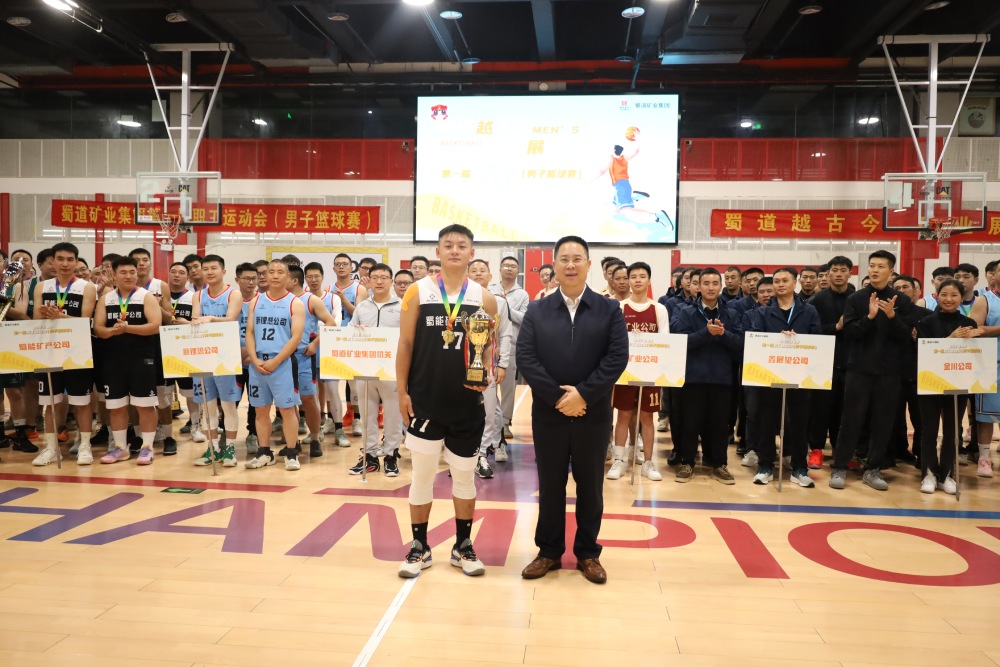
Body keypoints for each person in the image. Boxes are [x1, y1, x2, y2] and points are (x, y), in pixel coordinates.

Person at [517, 235, 628, 584]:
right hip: (548, 414)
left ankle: (588, 553)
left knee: (590, 486)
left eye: (577, 258)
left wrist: (584, 395)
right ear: (554, 265)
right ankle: (548, 552)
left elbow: (616, 358)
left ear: (588, 265)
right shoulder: (537, 310)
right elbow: (526, 358)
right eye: (563, 259)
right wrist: (559, 398)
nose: (570, 265)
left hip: (592, 414)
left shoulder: (609, 309)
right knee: (550, 485)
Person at [396, 224, 498, 578]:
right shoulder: (417, 291)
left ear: (472, 253)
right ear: (437, 252)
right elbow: (405, 344)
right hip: (424, 401)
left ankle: (462, 546)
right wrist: (401, 391)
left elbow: (487, 348)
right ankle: (419, 547)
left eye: (462, 245)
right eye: (448, 245)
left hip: (467, 404)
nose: (455, 250)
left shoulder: (484, 298)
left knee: (464, 478)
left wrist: (486, 373)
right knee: (422, 477)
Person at [829, 250, 914, 492]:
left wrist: (892, 316)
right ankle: (839, 467)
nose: (875, 270)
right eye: (872, 266)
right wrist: (869, 317)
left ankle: (873, 469)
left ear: (891, 271)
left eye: (880, 266)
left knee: (883, 422)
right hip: (859, 370)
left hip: (889, 372)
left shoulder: (901, 300)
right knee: (851, 420)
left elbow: (906, 336)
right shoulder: (856, 299)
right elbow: (850, 333)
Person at [749, 267, 821, 488]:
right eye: (777, 281)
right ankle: (765, 466)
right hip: (770, 374)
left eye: (785, 280)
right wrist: (776, 341)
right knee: (767, 421)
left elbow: (817, 341)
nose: (780, 285)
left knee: (799, 422)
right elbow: (756, 340)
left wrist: (798, 341)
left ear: (794, 283)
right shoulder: (762, 312)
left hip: (800, 375)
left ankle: (800, 468)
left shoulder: (808, 311)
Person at [673, 268, 743, 484]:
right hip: (693, 378)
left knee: (720, 425)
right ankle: (687, 462)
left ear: (720, 286)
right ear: (698, 286)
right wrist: (706, 333)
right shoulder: (686, 312)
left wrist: (723, 334)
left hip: (722, 379)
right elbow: (680, 343)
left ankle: (720, 464)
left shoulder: (731, 313)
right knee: (690, 423)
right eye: (706, 283)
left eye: (715, 283)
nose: (710, 287)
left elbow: (741, 345)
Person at [31, 242, 98, 466]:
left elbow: (86, 320)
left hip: (78, 351)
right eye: (60, 259)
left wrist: (58, 317)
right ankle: (51, 448)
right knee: (52, 401)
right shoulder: (42, 287)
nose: (65, 264)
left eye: (70, 259)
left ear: (76, 262)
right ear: (53, 261)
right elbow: (36, 320)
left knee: (81, 401)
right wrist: (49, 318)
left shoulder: (87, 287)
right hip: (49, 350)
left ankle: (85, 445)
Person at [92, 256, 162, 465]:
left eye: (132, 272)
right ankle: (121, 448)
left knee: (145, 405)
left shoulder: (145, 296)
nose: (129, 276)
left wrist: (127, 328)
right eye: (123, 272)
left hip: (142, 359)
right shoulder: (106, 299)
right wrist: (111, 332)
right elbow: (98, 328)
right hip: (113, 360)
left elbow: (155, 326)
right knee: (117, 406)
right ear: (114, 275)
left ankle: (147, 447)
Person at [916, 279, 982, 494]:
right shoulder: (926, 322)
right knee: (929, 430)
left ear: (961, 297)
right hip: (930, 383)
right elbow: (925, 352)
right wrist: (951, 338)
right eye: (944, 294)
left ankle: (947, 474)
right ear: (937, 296)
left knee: (952, 431)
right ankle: (928, 473)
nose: (948, 299)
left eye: (954, 295)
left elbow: (973, 356)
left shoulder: (969, 322)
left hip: (958, 383)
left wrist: (973, 341)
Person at [607, 261, 669, 482]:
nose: (637, 280)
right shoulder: (619, 307)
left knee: (647, 417)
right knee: (623, 415)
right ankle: (619, 460)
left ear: (649, 280)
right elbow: (612, 340)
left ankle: (648, 462)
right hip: (625, 373)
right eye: (633, 277)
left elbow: (665, 343)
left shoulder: (659, 309)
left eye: (642, 276)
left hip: (650, 373)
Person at [244, 259, 306, 471]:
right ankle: (264, 452)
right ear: (265, 276)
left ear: (288, 276)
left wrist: (276, 361)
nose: (275, 275)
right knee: (261, 410)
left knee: (287, 410)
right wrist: (254, 359)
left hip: (282, 363)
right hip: (258, 363)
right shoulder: (256, 301)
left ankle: (291, 452)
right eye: (271, 272)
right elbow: (250, 332)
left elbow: (296, 337)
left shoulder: (295, 303)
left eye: (280, 272)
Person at [189, 255, 243, 468]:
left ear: (223, 271)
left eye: (214, 268)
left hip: (226, 358)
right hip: (203, 357)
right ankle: (212, 448)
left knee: (228, 406)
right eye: (206, 269)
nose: (209, 272)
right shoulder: (198, 295)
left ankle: (230, 448)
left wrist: (211, 319)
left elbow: (231, 319)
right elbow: (195, 320)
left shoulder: (233, 294)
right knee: (208, 406)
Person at [350, 263, 404, 477]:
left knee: (393, 415)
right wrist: (357, 331)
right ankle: (370, 457)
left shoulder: (402, 306)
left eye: (384, 277)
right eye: (375, 278)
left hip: (392, 369)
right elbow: (349, 332)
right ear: (368, 281)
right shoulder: (362, 307)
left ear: (391, 281)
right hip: (365, 368)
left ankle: (391, 455)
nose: (379, 281)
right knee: (367, 414)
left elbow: (409, 338)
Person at [805, 256, 855, 469]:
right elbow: (810, 331)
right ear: (828, 273)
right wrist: (835, 327)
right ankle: (816, 451)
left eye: (843, 270)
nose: (838, 274)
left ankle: (842, 452)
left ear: (850, 273)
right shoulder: (816, 301)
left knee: (845, 412)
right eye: (834, 270)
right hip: (822, 364)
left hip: (851, 363)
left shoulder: (857, 299)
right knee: (820, 410)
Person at [287, 264, 339, 458]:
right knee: (287, 401)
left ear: (293, 280)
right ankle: (293, 441)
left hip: (303, 356)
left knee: (309, 399)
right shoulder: (280, 300)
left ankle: (315, 438)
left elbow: (331, 323)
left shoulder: (311, 300)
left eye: (282, 275)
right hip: (282, 358)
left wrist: (315, 343)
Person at [469, 259, 512, 478]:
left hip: (488, 365)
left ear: (490, 276)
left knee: (487, 412)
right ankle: (463, 455)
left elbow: (505, 334)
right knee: (461, 410)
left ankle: (482, 454)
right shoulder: (459, 301)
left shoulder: (499, 302)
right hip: (460, 364)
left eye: (482, 270)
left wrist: (502, 364)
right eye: (473, 270)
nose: (478, 273)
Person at [489, 256, 529, 442]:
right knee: (487, 386)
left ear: (518, 271)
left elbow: (525, 319)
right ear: (499, 269)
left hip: (511, 346)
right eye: (506, 265)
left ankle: (505, 422)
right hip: (487, 346)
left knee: (508, 388)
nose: (509, 268)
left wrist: (504, 307)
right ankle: (488, 420)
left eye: (513, 266)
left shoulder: (523, 295)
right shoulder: (490, 290)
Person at [972, 272, 1000, 478]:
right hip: (991, 364)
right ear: (994, 275)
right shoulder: (985, 300)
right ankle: (984, 458)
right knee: (986, 416)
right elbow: (974, 329)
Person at [235, 263, 261, 456]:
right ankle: (226, 436)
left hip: (255, 360)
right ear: (237, 280)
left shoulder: (262, 301)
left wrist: (251, 354)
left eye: (254, 278)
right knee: (231, 400)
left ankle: (253, 434)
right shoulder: (231, 300)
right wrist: (239, 352)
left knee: (256, 400)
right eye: (247, 278)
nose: (251, 282)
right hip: (233, 359)